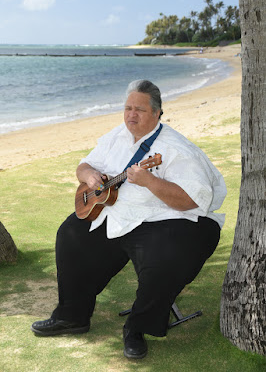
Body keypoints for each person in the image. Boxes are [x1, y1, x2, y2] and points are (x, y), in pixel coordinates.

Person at [31, 80, 227, 359]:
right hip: (117, 212)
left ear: (158, 114)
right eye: (127, 108)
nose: (131, 115)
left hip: (162, 217)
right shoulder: (116, 136)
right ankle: (72, 316)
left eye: (140, 110)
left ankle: (136, 328)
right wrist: (89, 176)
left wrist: (149, 181)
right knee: (70, 233)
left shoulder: (177, 148)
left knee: (165, 258)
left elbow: (193, 200)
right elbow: (84, 166)